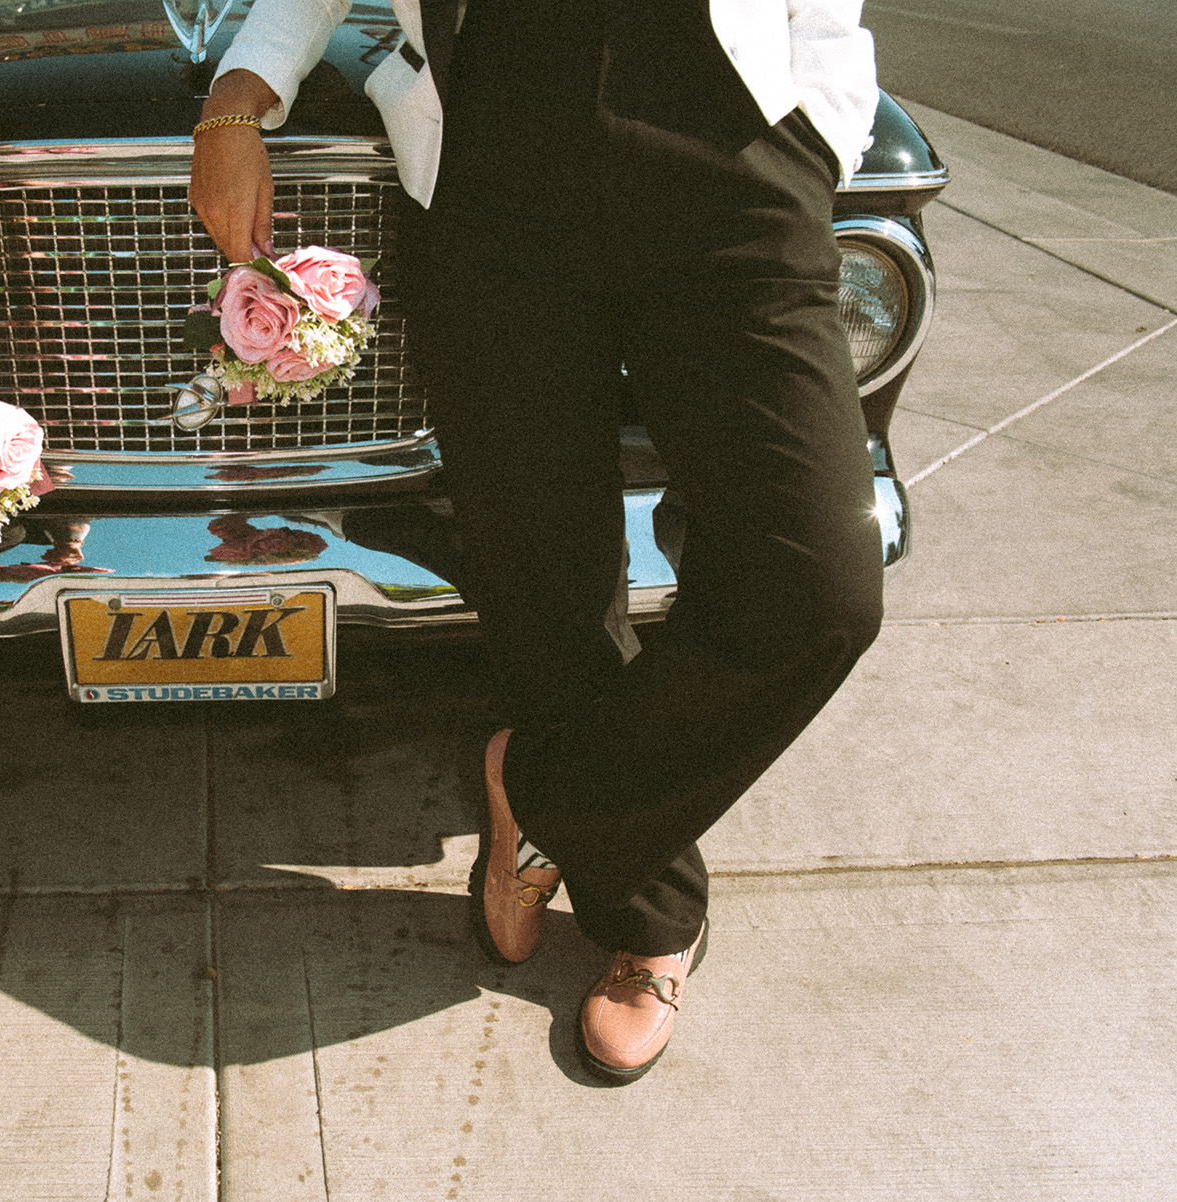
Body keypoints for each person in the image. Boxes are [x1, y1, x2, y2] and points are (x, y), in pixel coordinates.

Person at [191, 0, 884, 1083]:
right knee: (543, 573)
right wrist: (242, 94)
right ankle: (647, 910)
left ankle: (546, 792)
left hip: (727, 142)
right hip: (496, 149)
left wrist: (819, 125)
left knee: (816, 583)